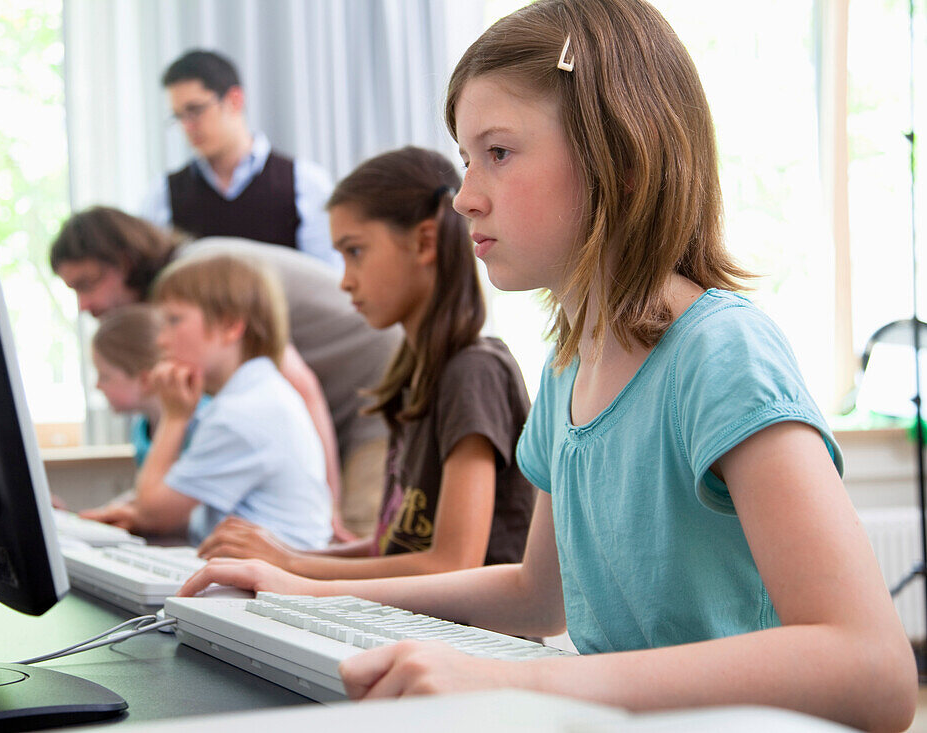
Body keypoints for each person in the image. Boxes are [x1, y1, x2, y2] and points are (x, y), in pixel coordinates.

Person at [175, 1, 918, 729]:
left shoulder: (720, 353)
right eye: (467, 159)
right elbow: (538, 594)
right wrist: (308, 593)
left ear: (620, 160)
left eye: (497, 153)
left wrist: (517, 679)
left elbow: (874, 669)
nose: (465, 196)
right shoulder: (570, 363)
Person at [197, 147, 535, 579]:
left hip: (474, 641)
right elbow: (390, 548)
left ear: (424, 242)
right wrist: (282, 556)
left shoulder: (472, 372)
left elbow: (452, 564)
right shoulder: (414, 374)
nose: (344, 280)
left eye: (355, 251)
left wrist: (293, 565)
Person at [50, 206, 400, 538]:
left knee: (355, 533)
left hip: (378, 381)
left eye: (87, 284)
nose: (84, 306)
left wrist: (329, 509)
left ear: (123, 262)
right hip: (336, 396)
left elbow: (304, 386)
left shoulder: (199, 279)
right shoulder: (191, 292)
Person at [81, 253, 332, 550]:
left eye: (174, 320)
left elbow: (153, 511)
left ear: (229, 326)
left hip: (274, 582)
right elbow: (198, 512)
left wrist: (175, 417)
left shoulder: (242, 413)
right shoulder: (253, 394)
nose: (161, 340)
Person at [142, 49, 338, 267]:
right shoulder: (162, 194)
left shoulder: (306, 182)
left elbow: (328, 280)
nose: (187, 127)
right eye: (179, 116)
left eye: (195, 110)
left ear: (234, 100)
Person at [91, 304, 195, 468]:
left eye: (105, 376)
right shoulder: (140, 428)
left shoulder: (200, 422)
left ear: (146, 380)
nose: (97, 386)